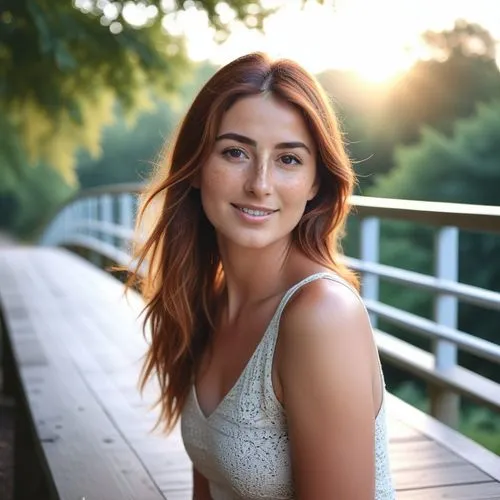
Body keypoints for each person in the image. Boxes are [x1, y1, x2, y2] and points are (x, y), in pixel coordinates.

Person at [129, 52, 396, 499]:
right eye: (235, 152)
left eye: (289, 160)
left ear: (315, 184)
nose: (260, 183)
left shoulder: (321, 316)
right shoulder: (207, 302)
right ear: (195, 168)